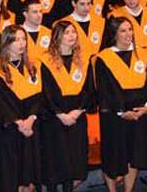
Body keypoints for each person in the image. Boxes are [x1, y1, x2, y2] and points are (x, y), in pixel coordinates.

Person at [94, 15, 147, 192]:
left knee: (134, 155)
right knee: (113, 156)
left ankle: (129, 190)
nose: (128, 34)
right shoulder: (103, 58)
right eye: (122, 30)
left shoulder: (144, 53)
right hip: (115, 116)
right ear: (114, 34)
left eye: (130, 29)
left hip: (140, 114)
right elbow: (106, 90)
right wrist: (121, 111)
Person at [39, 20, 92, 192]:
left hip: (76, 116)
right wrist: (60, 114)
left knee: (73, 160)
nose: (71, 36)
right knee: (55, 161)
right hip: (54, 120)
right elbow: (45, 92)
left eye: (73, 32)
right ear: (57, 36)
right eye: (67, 32)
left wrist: (78, 111)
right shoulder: (44, 60)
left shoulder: (83, 59)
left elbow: (88, 89)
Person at [0, 25, 43, 192]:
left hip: (31, 127)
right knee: (14, 176)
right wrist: (19, 123)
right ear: (6, 43)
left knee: (31, 175)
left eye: (23, 39)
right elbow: (0, 102)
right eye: (16, 40)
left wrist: (31, 118)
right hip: (9, 131)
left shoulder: (33, 66)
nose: (21, 43)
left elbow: (39, 96)